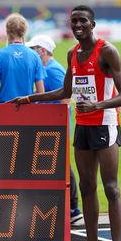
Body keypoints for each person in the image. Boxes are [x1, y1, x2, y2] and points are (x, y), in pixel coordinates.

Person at [10, 5, 121, 241]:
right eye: (73, 21)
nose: (77, 25)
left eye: (82, 21)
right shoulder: (72, 53)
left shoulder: (107, 51)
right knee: (87, 188)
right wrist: (30, 98)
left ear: (92, 24)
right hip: (82, 126)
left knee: (111, 188)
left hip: (105, 124)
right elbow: (66, 90)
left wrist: (98, 106)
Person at [26, 34, 83, 226]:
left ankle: (73, 209)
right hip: (49, 124)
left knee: (62, 164)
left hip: (56, 125)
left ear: (42, 51)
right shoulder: (45, 68)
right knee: (56, 164)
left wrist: (57, 122)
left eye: (33, 49)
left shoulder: (54, 70)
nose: (31, 52)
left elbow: (65, 99)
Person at [0, 13, 45, 103]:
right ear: (24, 32)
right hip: (27, 110)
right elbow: (41, 93)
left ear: (7, 31)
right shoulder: (35, 56)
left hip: (4, 109)